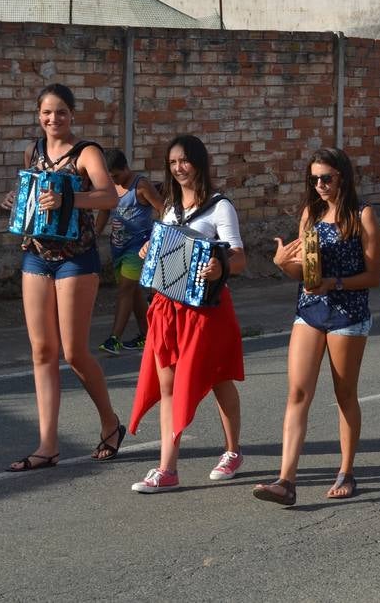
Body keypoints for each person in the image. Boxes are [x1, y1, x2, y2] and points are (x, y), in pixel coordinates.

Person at [3, 83, 123, 472]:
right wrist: (14, 200)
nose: (53, 119)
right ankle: (47, 445)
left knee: (74, 352)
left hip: (76, 258)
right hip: (37, 255)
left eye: (60, 112)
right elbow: (33, 192)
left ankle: (110, 422)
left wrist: (70, 198)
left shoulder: (86, 152)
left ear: (72, 115)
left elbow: (109, 196)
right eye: (46, 113)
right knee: (42, 352)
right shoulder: (33, 150)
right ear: (38, 115)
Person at [254, 148, 380, 506]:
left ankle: (346, 471)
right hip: (310, 309)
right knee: (297, 393)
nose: (320, 185)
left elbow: (373, 275)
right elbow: (305, 273)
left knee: (344, 395)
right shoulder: (310, 213)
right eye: (315, 179)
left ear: (343, 175)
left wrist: (334, 284)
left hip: (348, 313)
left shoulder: (363, 215)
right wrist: (283, 264)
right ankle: (286, 480)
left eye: (327, 177)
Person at [129, 135, 248, 493]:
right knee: (168, 385)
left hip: (206, 310)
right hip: (168, 307)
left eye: (185, 161)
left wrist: (218, 267)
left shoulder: (219, 207)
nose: (179, 168)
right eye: (173, 163)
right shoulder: (169, 209)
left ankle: (232, 450)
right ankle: (168, 468)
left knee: (217, 379)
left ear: (199, 162)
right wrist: (150, 249)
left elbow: (239, 257)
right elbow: (166, 250)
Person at [96, 148, 164, 355]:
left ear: (125, 168)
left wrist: (155, 240)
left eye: (116, 175)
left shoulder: (140, 186)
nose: (114, 180)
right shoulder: (110, 187)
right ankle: (148, 334)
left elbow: (163, 210)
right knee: (132, 293)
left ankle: (114, 339)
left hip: (138, 248)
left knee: (125, 290)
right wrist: (93, 237)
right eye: (109, 177)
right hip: (118, 247)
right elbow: (104, 211)